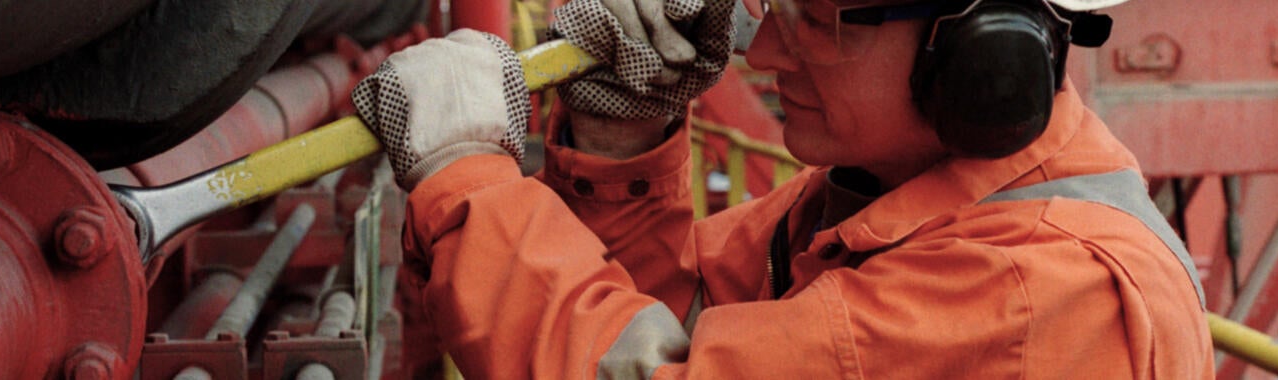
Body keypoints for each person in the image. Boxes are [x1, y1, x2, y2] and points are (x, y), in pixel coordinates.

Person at [348, 0, 1213, 376]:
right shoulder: (879, 203)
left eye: (818, 19)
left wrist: (465, 178)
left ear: (987, 55)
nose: (759, 53)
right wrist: (624, 139)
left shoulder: (1041, 294)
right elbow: (676, 332)